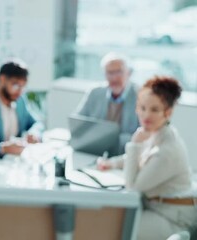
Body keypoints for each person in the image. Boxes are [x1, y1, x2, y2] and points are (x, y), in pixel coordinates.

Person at [97, 76, 197, 239]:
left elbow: (132, 188)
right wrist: (112, 163)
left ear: (168, 113)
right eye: (142, 108)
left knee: (115, 227)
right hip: (155, 206)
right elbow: (141, 157)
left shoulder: (167, 150)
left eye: (154, 110)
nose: (146, 115)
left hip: (172, 218)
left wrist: (134, 143)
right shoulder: (157, 132)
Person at [75, 52, 139, 155]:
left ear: (129, 73)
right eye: (109, 72)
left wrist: (110, 139)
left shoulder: (140, 95)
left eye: (118, 72)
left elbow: (145, 135)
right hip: (95, 151)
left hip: (125, 154)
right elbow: (77, 123)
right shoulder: (95, 92)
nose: (114, 78)